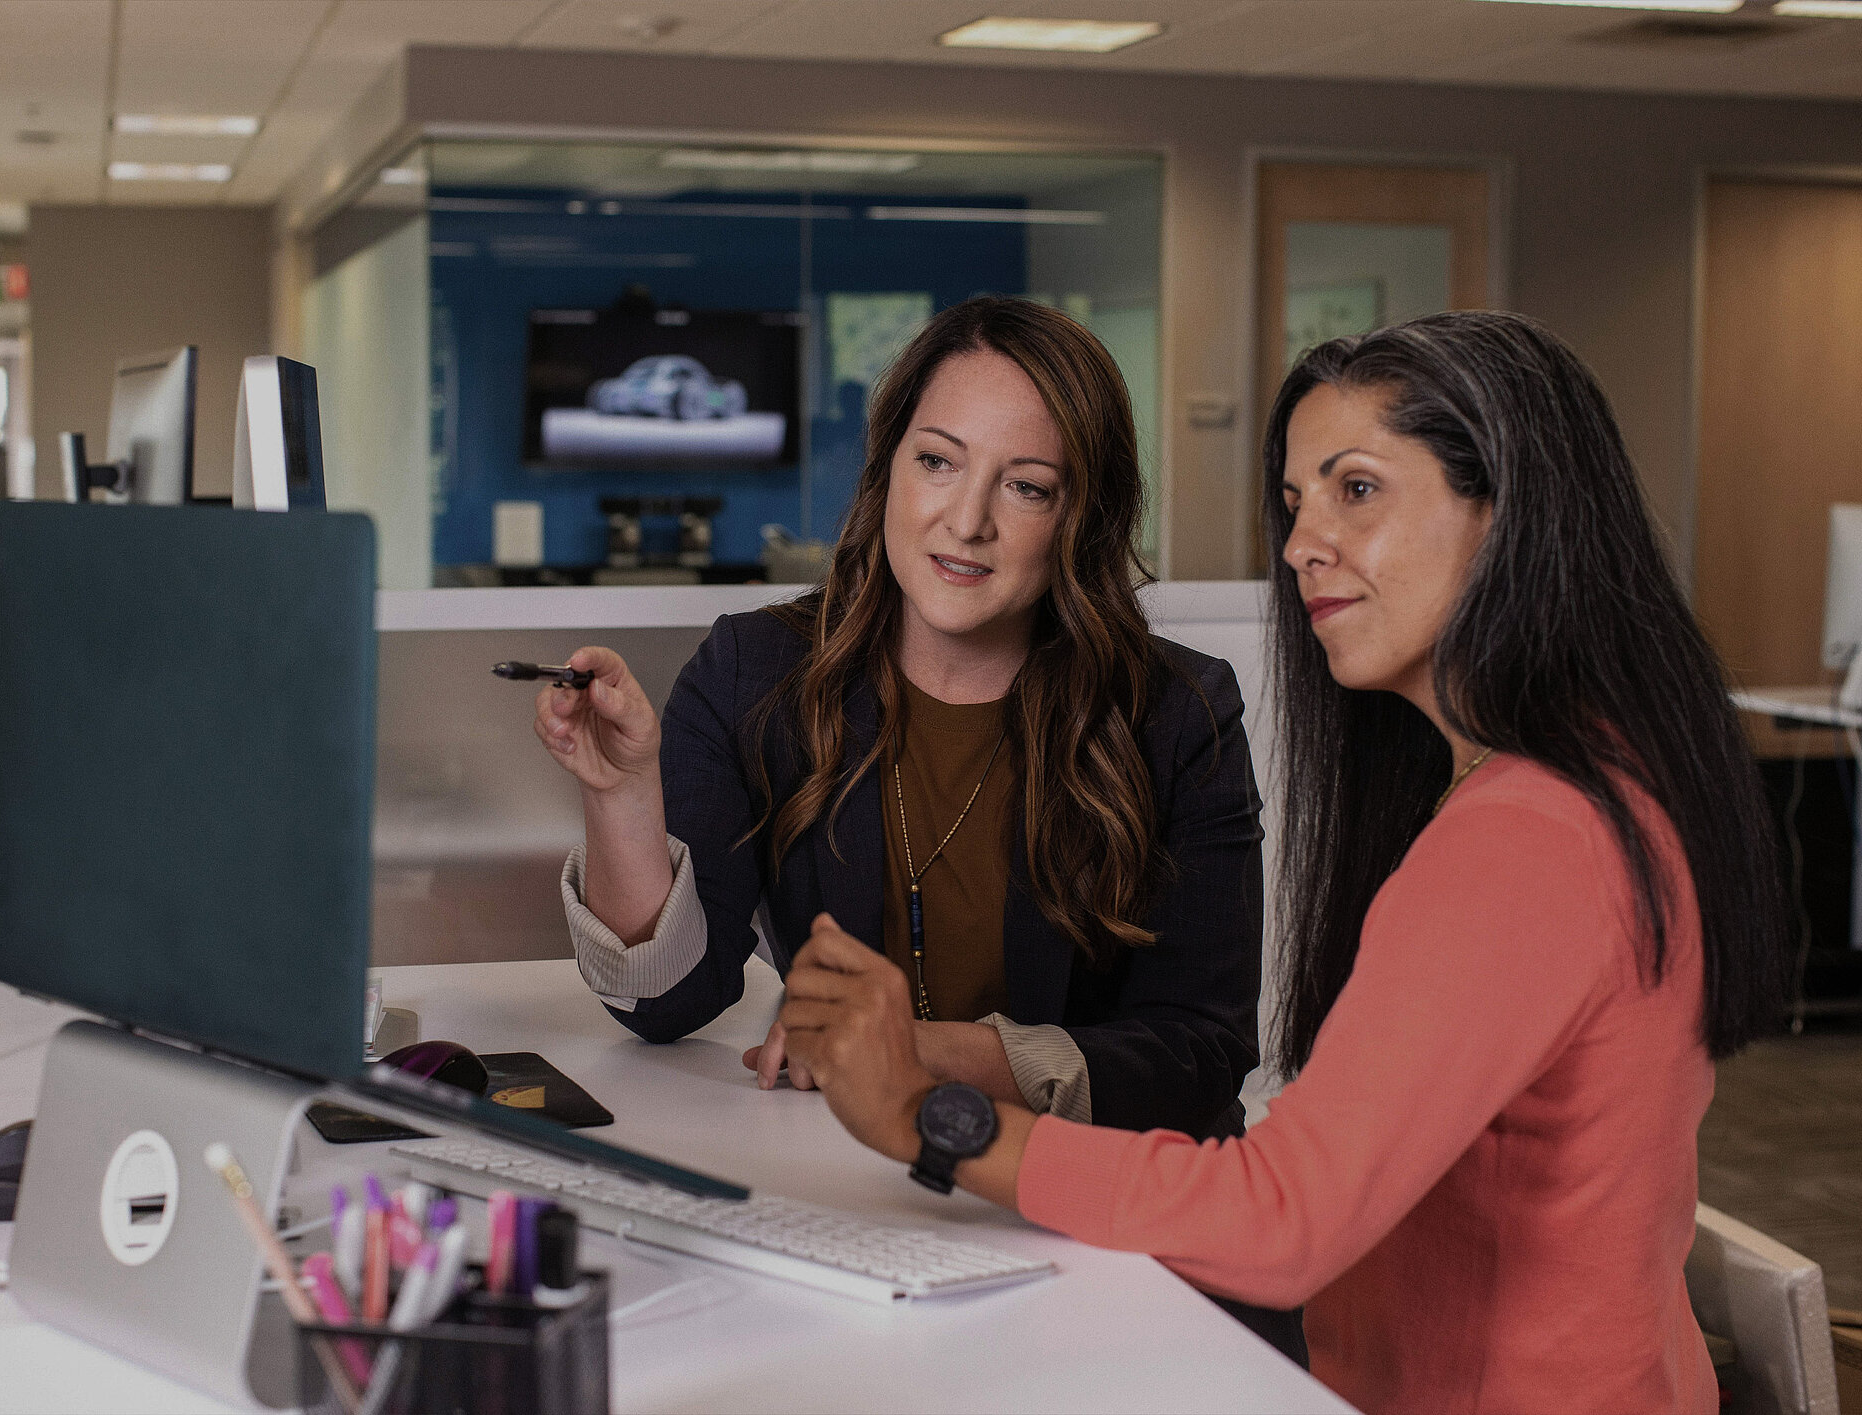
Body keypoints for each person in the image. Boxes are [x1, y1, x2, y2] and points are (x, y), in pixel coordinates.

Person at [773, 311, 1791, 1415]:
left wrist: (927, 1114)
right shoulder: (1606, 775)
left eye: (1357, 489)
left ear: (1509, 512)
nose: (1304, 541)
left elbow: (1283, 1220)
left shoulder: (1529, 836)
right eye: (1297, 500)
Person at [533, 297, 1303, 1358]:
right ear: (889, 466)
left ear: (1082, 515)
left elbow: (1201, 1049)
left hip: (1109, 1241)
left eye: (1025, 486)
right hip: (868, 1223)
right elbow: (669, 1001)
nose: (966, 520)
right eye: (939, 461)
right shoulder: (756, 672)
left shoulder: (1178, 711)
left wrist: (927, 1059)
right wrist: (621, 792)